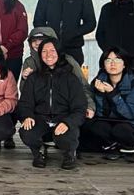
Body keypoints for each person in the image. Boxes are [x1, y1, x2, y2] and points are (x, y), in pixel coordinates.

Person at [18, 37, 87, 170]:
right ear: (39, 54)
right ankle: (38, 153)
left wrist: (68, 122)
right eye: (44, 51)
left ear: (59, 52)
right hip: (41, 120)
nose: (48, 54)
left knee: (68, 135)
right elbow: (25, 103)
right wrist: (27, 116)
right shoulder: (34, 78)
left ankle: (69, 154)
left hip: (63, 120)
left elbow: (79, 108)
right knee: (26, 132)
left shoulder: (70, 78)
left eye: (52, 50)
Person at [81, 48, 134, 163]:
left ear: (124, 64)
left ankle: (131, 147)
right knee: (95, 126)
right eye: (108, 60)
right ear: (103, 65)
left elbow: (130, 113)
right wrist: (101, 94)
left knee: (120, 130)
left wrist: (112, 93)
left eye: (117, 60)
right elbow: (100, 113)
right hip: (110, 120)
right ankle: (112, 146)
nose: (112, 63)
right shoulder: (98, 81)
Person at [33, 0, 96, 65]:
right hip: (50, 49)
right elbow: (38, 21)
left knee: (73, 80)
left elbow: (91, 23)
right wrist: (49, 36)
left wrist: (74, 32)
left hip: (73, 49)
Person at [21, 27, 94, 118]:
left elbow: (82, 86)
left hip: (66, 112)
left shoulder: (68, 60)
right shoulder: (29, 62)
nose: (37, 43)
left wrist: (90, 106)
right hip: (39, 114)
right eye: (34, 40)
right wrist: (24, 79)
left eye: (42, 40)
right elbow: (25, 95)